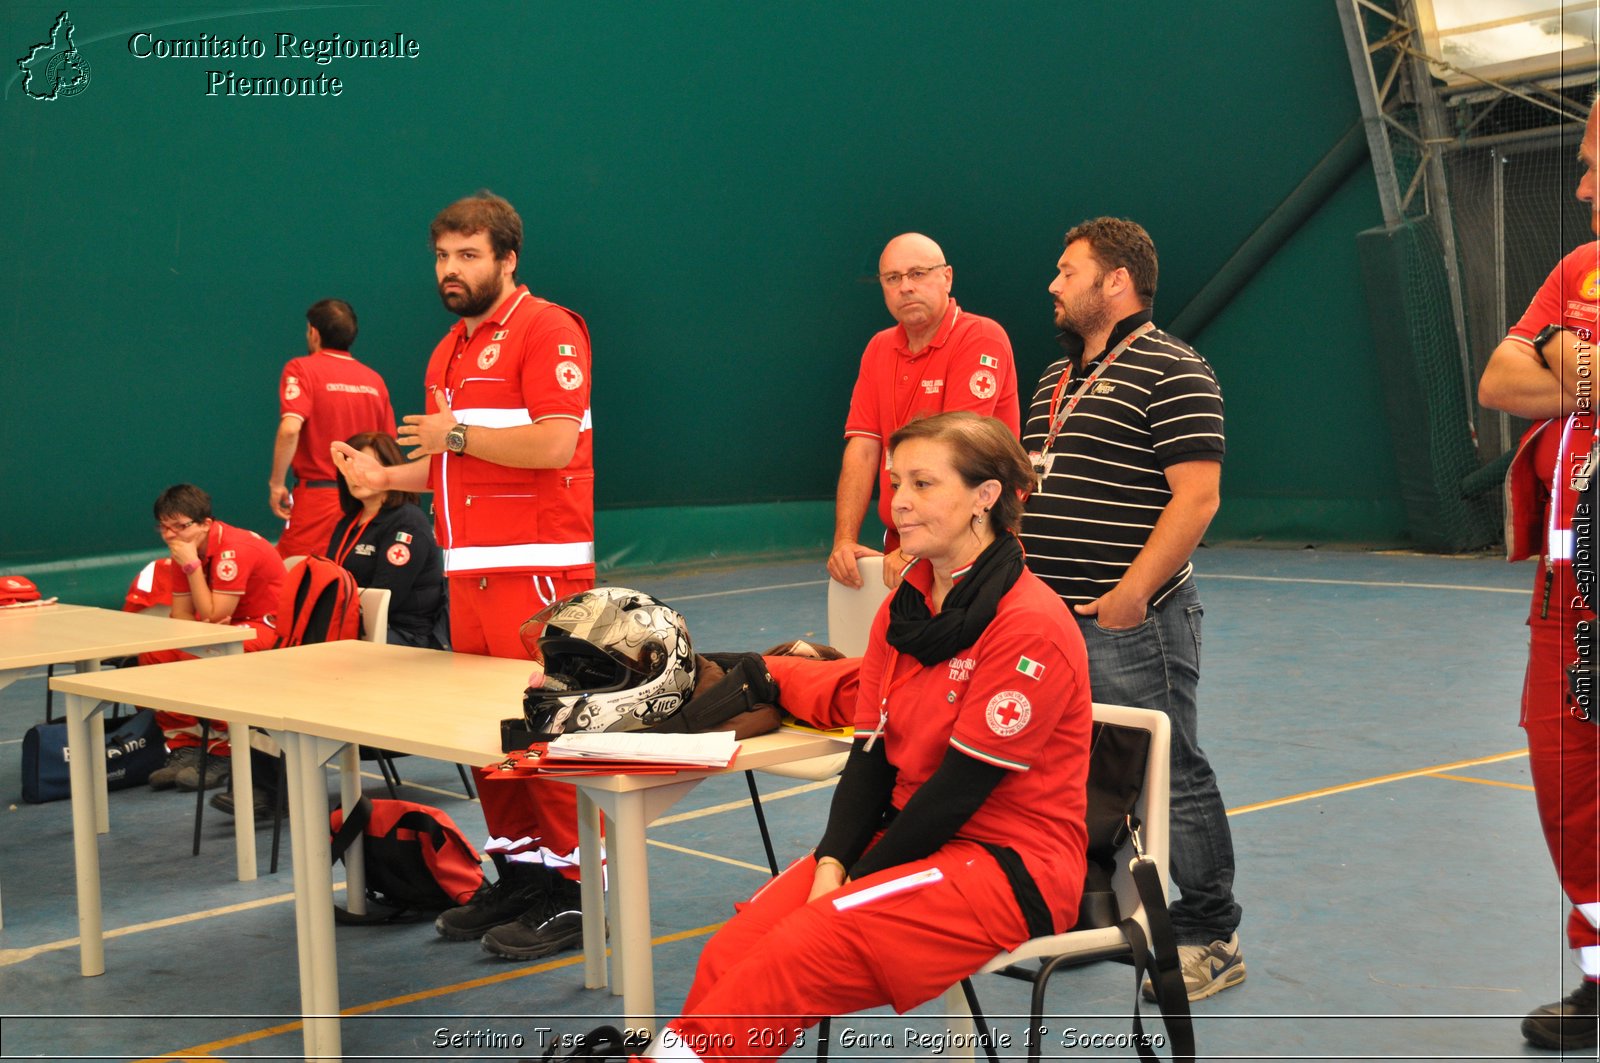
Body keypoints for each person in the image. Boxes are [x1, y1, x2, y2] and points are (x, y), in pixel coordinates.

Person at [619, 412, 1091, 1063]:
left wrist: (853, 882)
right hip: (914, 837)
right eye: (897, 481)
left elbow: (958, 792)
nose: (898, 501)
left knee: (796, 951)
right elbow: (871, 755)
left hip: (1010, 864)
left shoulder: (1030, 625)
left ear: (985, 496)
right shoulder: (908, 609)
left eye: (924, 483)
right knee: (732, 950)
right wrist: (834, 860)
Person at [331, 190, 594, 960]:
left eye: (468, 255)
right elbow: (452, 464)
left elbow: (553, 445)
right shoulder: (445, 349)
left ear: (507, 260)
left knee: (545, 736)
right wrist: (385, 483)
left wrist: (460, 431)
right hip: (470, 572)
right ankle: (519, 873)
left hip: (537, 572)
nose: (451, 269)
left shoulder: (549, 329)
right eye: (443, 255)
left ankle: (577, 893)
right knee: (492, 739)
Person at [1018, 217, 1242, 1002]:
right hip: (1050, 623)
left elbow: (1198, 496)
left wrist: (1133, 593)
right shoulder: (1053, 380)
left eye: (1066, 268)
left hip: (1132, 621)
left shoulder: (1175, 368)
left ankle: (1212, 931)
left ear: (1116, 281)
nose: (1054, 283)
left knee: (1169, 770)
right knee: (1067, 769)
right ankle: (1089, 914)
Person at [1477, 99, 1600, 1052]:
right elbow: (1500, 378)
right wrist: (1585, 372)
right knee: (1569, 790)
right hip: (1569, 605)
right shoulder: (1578, 271)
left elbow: (1550, 363)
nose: (1586, 186)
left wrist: (1571, 359)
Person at [829, 233, 1019, 592]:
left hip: (971, 547)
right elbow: (863, 446)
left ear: (946, 277)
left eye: (917, 274)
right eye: (893, 278)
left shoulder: (981, 336)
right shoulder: (878, 348)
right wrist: (844, 540)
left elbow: (956, 450)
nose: (905, 287)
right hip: (907, 543)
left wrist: (917, 549)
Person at [137, 484, 284, 792]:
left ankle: (223, 751)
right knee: (156, 655)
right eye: (164, 527)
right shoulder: (185, 549)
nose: (171, 535)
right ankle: (186, 748)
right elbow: (182, 616)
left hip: (267, 627)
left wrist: (191, 568)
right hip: (230, 626)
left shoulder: (234, 549)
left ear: (205, 523)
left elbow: (213, 616)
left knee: (200, 653)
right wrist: (207, 618)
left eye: (181, 526)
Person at [269, 298, 396, 559]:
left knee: (296, 577)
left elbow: (290, 428)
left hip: (318, 499)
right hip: (368, 498)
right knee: (353, 577)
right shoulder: (374, 380)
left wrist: (276, 483)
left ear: (313, 332)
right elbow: (389, 446)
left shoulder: (301, 369)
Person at [326, 431, 447, 649]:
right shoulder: (348, 522)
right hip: (355, 627)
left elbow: (386, 599)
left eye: (364, 467)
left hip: (405, 636)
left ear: (388, 468)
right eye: (349, 468)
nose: (355, 475)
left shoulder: (407, 522)